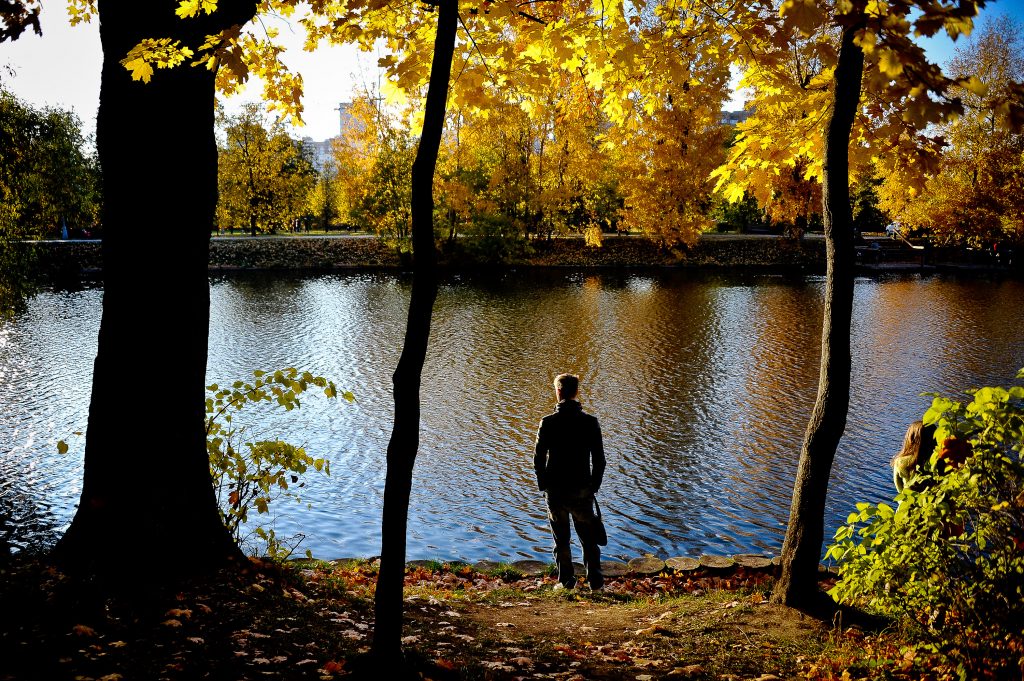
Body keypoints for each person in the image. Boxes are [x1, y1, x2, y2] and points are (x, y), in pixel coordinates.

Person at [534, 373, 606, 591]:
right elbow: (600, 460)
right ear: (576, 392)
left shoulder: (547, 423)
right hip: (581, 490)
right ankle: (596, 583)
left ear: (558, 391)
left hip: (555, 492)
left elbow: (538, 459)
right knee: (588, 540)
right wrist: (593, 486)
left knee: (561, 539)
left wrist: (543, 484)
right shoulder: (590, 423)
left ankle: (566, 582)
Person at [891, 420, 937, 493]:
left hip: (909, 502)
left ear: (911, 438)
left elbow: (899, 488)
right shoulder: (939, 460)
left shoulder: (900, 462)